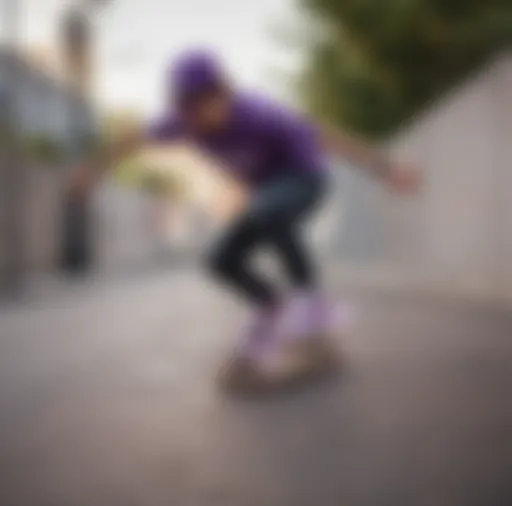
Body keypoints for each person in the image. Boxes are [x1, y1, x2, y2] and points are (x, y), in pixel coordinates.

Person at [71, 48, 419, 372]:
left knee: (267, 208)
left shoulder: (257, 114)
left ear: (222, 93)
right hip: (265, 200)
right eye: (184, 109)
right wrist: (93, 169)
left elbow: (325, 136)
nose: (194, 120)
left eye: (199, 106)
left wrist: (385, 168)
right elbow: (132, 138)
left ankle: (314, 316)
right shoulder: (183, 123)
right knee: (220, 260)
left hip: (306, 179)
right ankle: (272, 309)